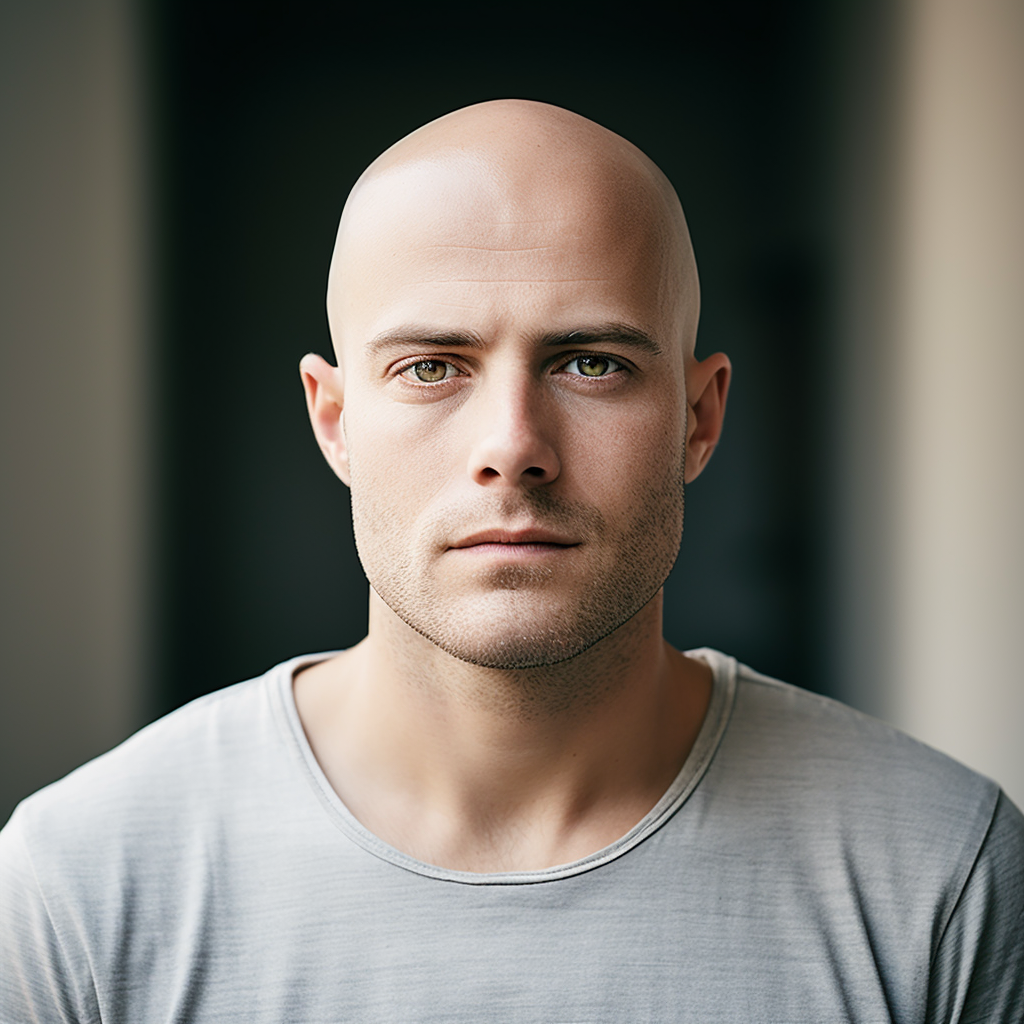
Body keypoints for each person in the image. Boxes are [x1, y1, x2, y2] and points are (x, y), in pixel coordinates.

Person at [1, 99, 1021, 1022]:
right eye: (432, 366)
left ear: (699, 418)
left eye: (590, 362)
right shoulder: (82, 885)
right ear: (336, 420)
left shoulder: (939, 871)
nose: (512, 444)